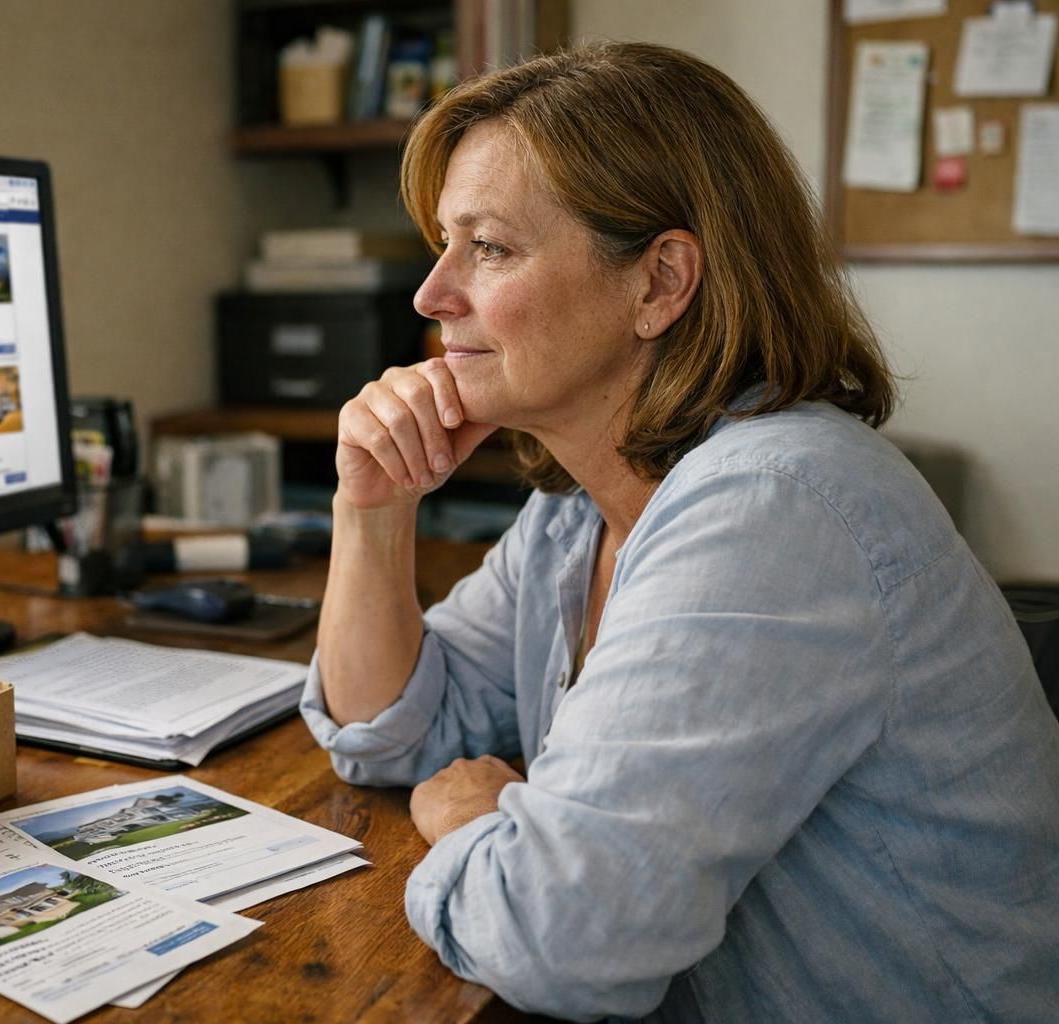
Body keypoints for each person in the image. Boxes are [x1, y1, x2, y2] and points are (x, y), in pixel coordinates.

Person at [299, 41, 1059, 1023]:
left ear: (660, 282)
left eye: (488, 248)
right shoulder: (575, 517)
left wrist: (474, 820)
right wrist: (372, 507)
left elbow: (562, 938)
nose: (431, 294)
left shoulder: (772, 508)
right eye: (444, 243)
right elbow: (392, 732)